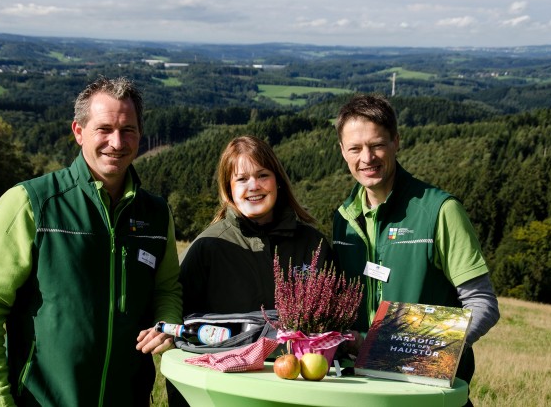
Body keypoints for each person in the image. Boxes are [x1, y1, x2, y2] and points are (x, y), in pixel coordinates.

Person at [0, 76, 182, 406]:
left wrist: (168, 324)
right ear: (78, 132)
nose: (117, 142)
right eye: (104, 129)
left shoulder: (157, 213)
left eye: (128, 129)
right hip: (41, 399)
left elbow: (167, 288)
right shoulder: (32, 203)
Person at [332, 94, 500, 406]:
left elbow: (483, 304)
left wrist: (416, 350)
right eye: (355, 148)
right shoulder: (342, 219)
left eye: (377, 144)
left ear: (396, 142)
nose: (366, 157)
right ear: (343, 152)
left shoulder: (439, 210)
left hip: (428, 392)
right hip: (362, 392)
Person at [167, 135, 333, 406]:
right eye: (241, 179)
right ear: (228, 188)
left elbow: (333, 330)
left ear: (277, 180)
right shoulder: (208, 247)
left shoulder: (314, 244)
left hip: (301, 394)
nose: (253, 186)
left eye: (262, 175)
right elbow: (183, 339)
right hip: (229, 394)